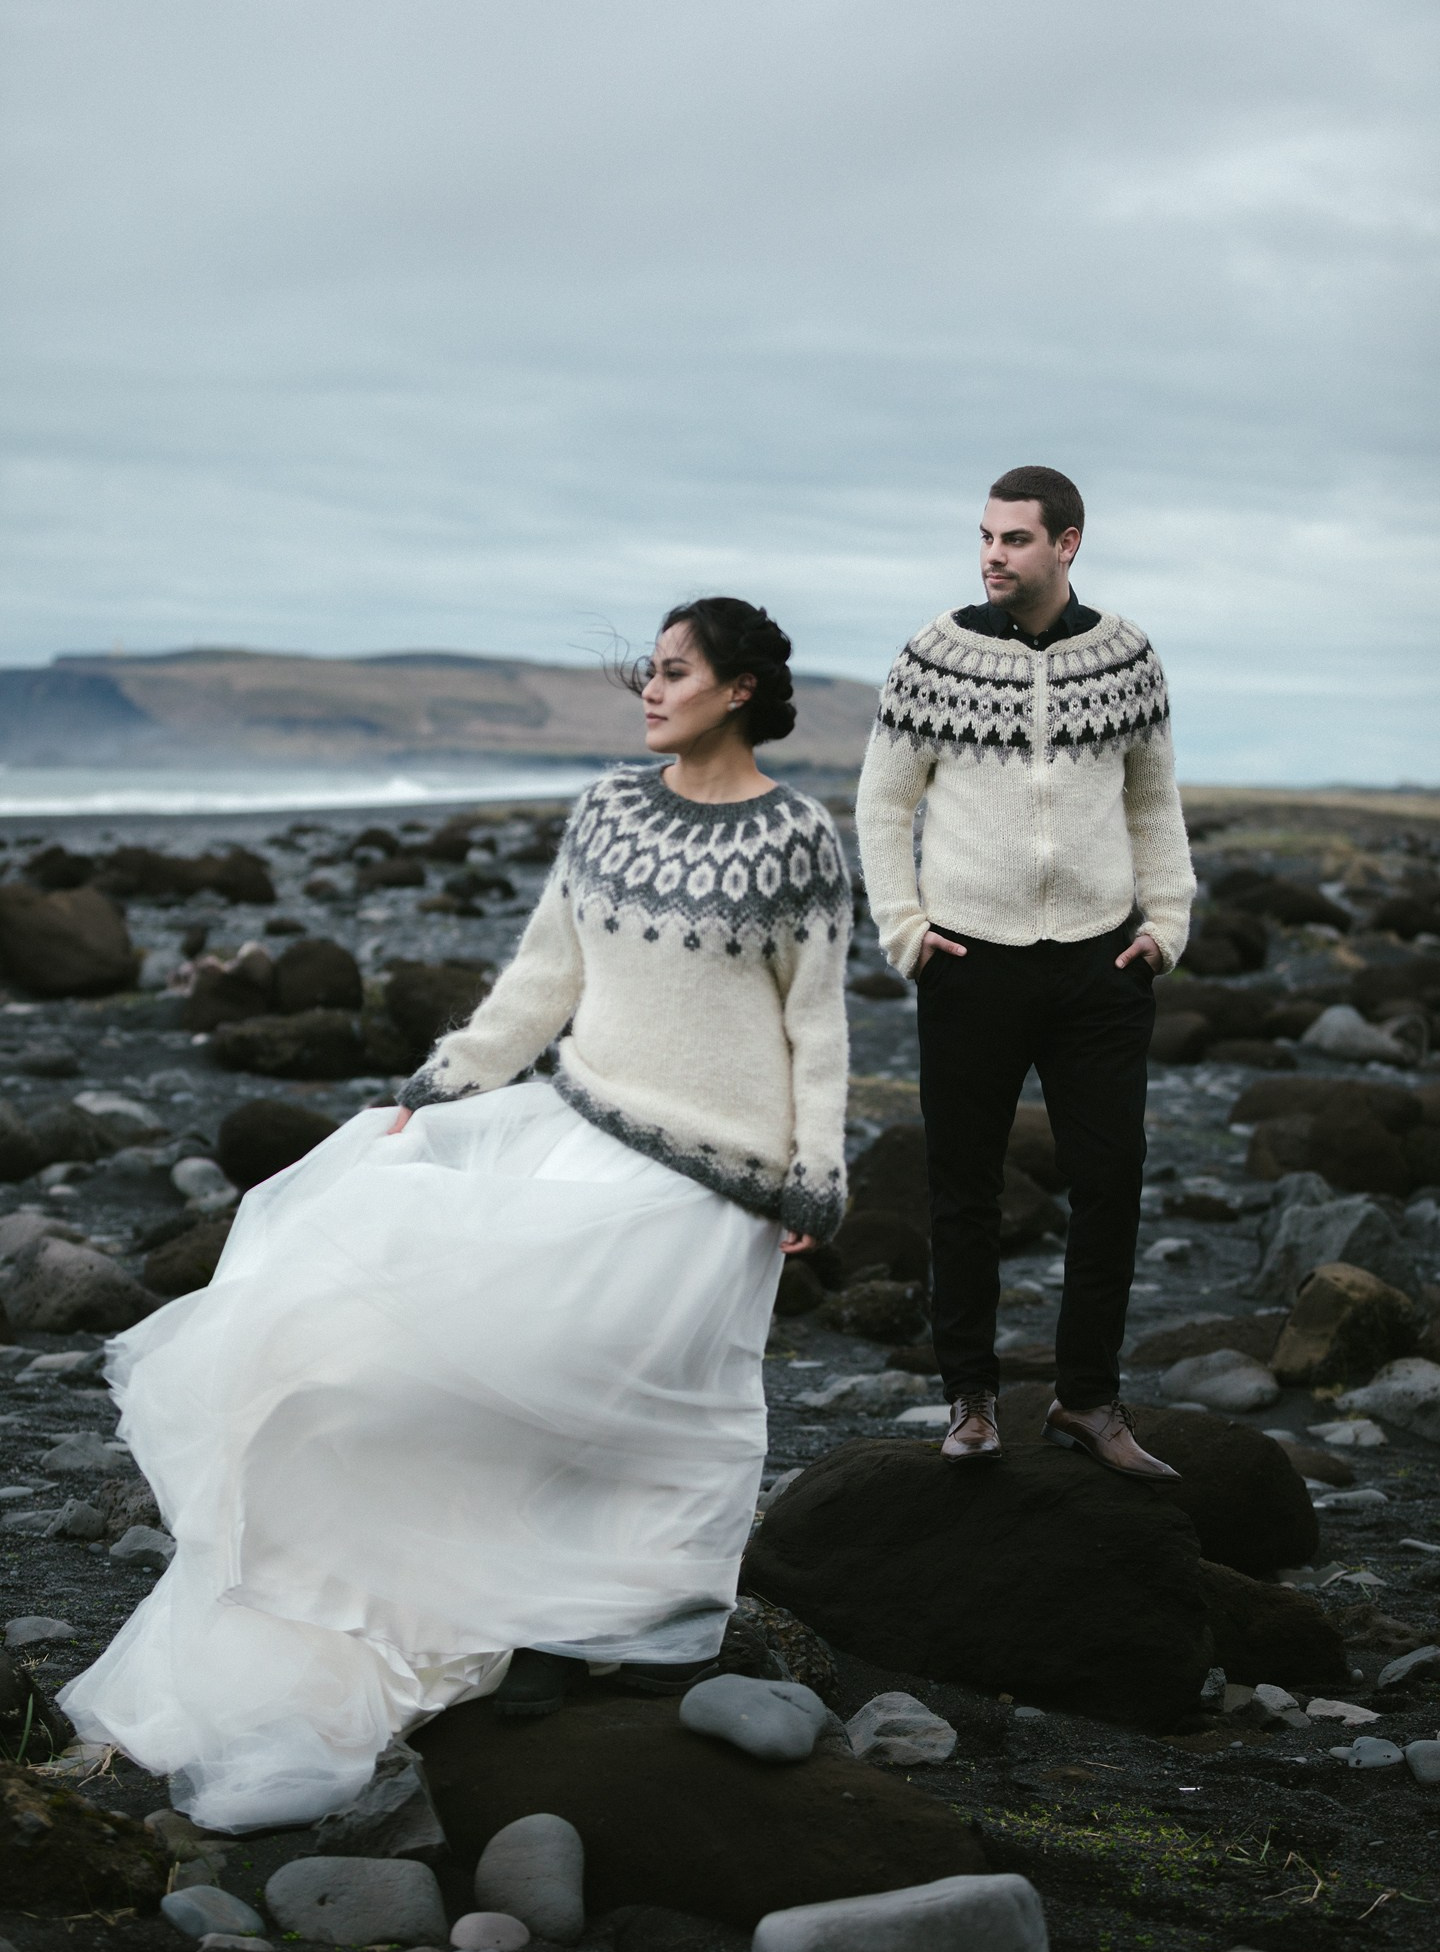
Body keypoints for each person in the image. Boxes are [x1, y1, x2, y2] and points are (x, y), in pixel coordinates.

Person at [60, 597, 850, 1831]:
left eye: (675, 672)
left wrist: (818, 1177)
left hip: (724, 1176)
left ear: (738, 688)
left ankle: (633, 1632)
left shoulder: (800, 839)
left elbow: (816, 1023)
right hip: (585, 1126)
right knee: (471, 1360)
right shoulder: (605, 811)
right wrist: (433, 1091)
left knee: (682, 1403)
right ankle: (508, 1606)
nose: (649, 689)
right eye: (646, 670)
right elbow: (545, 978)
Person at [854, 466, 1195, 1479]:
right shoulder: (934, 656)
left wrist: (1165, 923)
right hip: (970, 965)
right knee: (962, 1189)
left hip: (1101, 966)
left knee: (1113, 1182)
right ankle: (971, 1401)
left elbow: (1152, 803)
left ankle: (1088, 1401)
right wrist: (906, 930)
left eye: (1015, 539)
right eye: (986, 537)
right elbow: (882, 805)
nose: (993, 555)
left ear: (1068, 544)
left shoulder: (1125, 657)